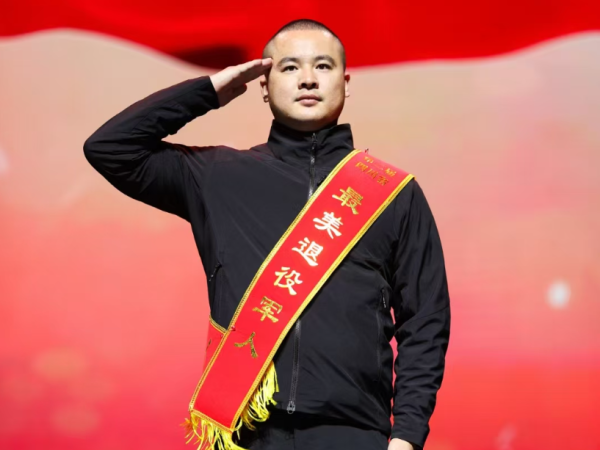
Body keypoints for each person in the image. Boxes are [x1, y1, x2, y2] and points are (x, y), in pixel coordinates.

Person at [84, 18, 450, 450]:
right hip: (247, 433)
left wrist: (407, 435)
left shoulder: (393, 194)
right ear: (263, 84)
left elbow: (425, 320)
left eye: (323, 66)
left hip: (353, 433)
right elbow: (110, 148)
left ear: (346, 82)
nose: (308, 79)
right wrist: (209, 91)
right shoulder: (218, 176)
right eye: (290, 67)